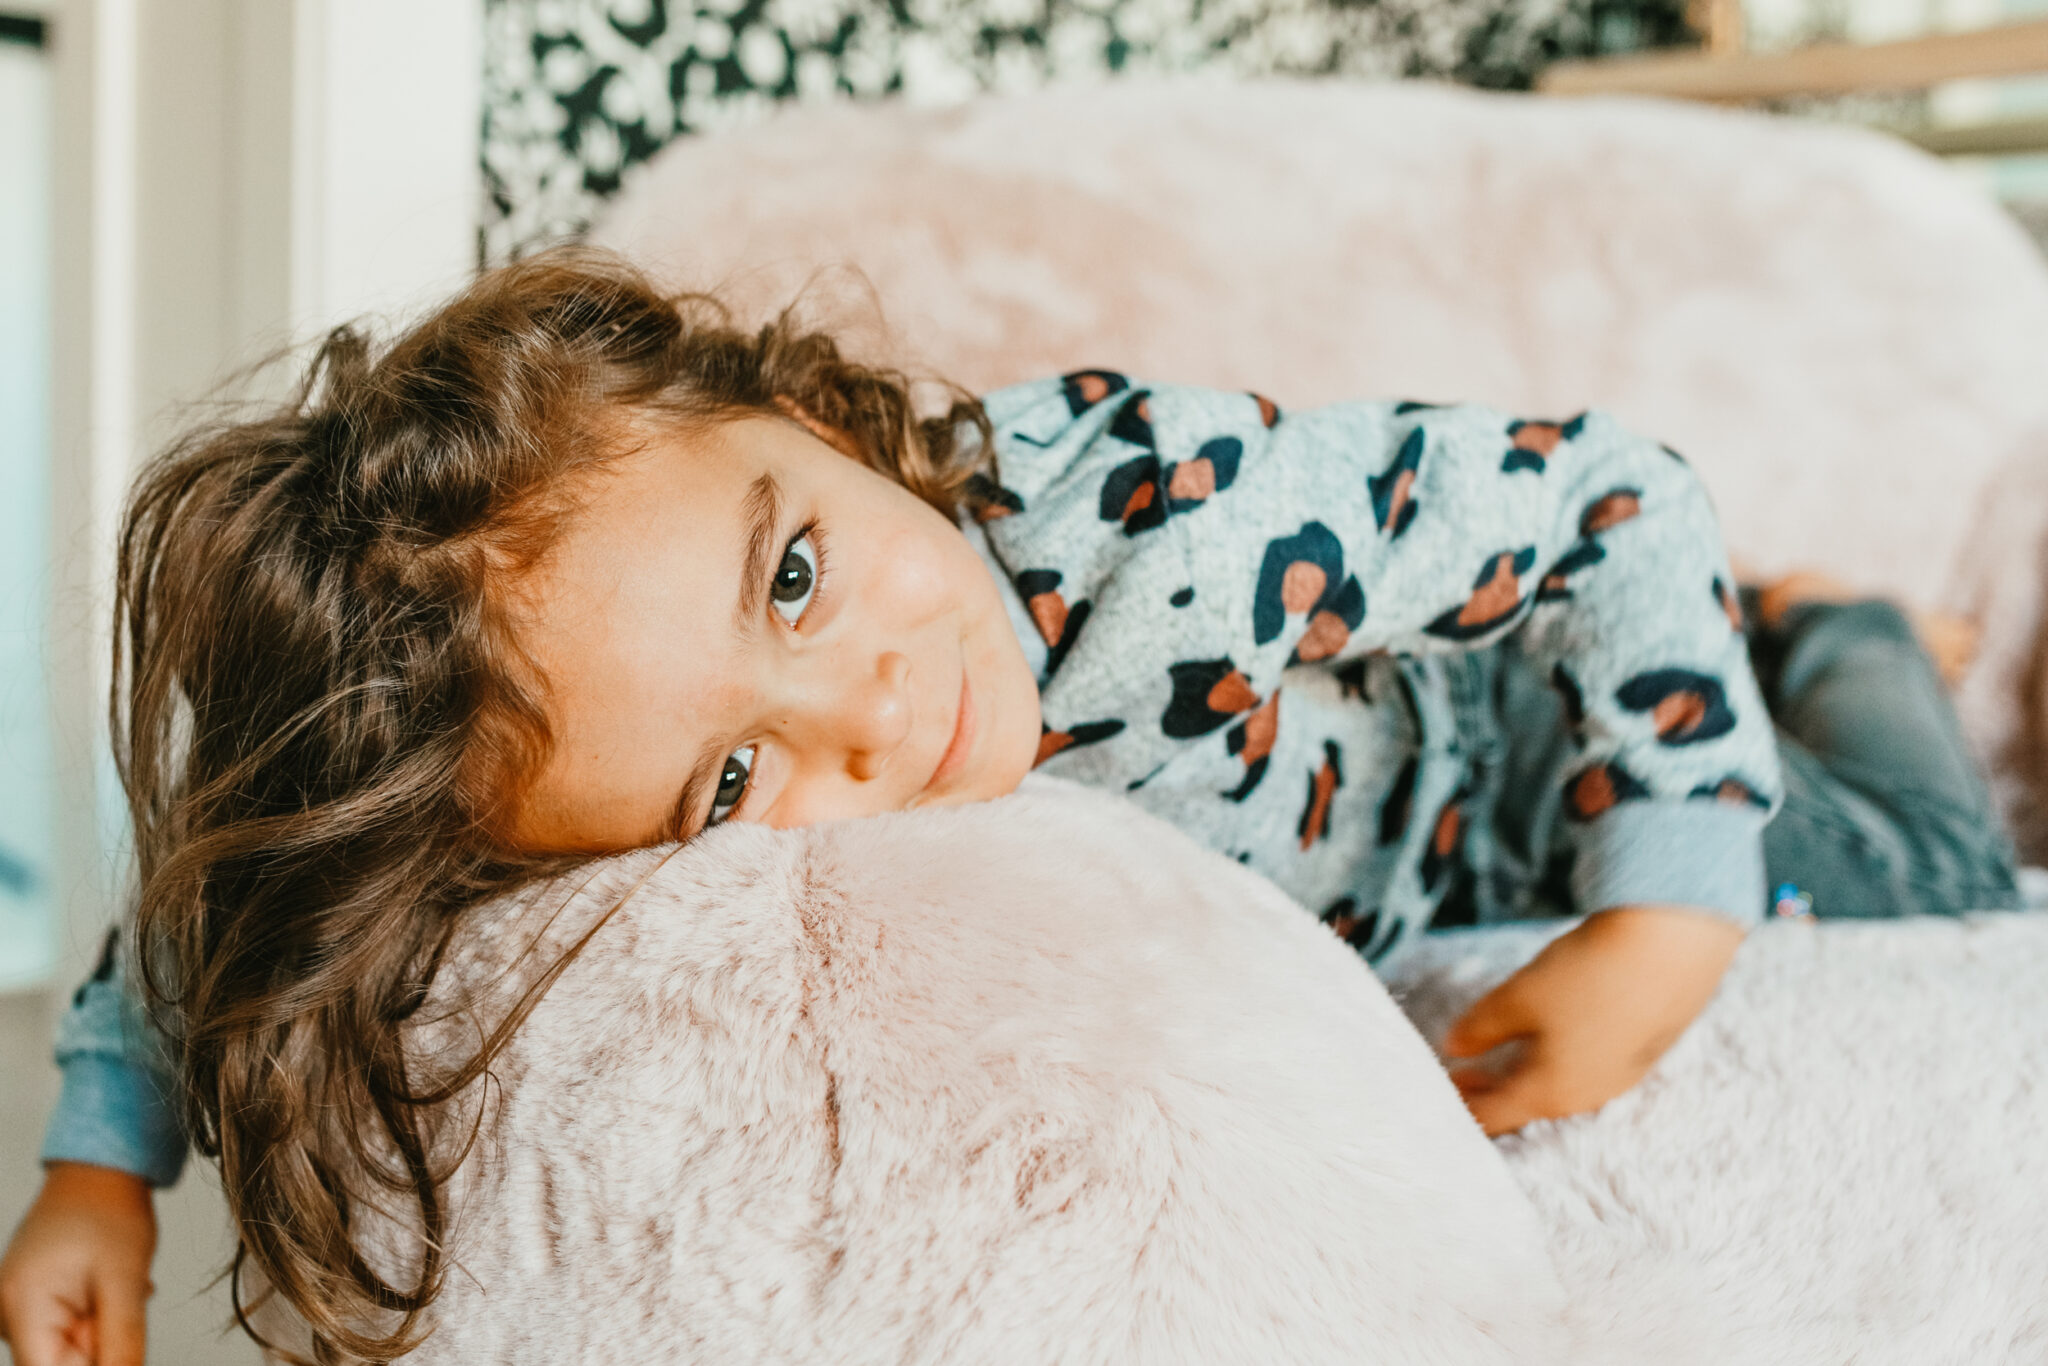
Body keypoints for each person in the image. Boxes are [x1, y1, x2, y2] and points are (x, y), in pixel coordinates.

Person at [0, 250, 2020, 1365]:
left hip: (1520, 770)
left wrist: (1663, 912)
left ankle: (1838, 634)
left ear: (780, 412)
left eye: (790, 574)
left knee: (1927, 866)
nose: (867, 706)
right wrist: (103, 1163)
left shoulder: (1170, 515)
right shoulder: (550, 798)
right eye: (730, 776)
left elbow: (1611, 495)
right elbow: (254, 881)